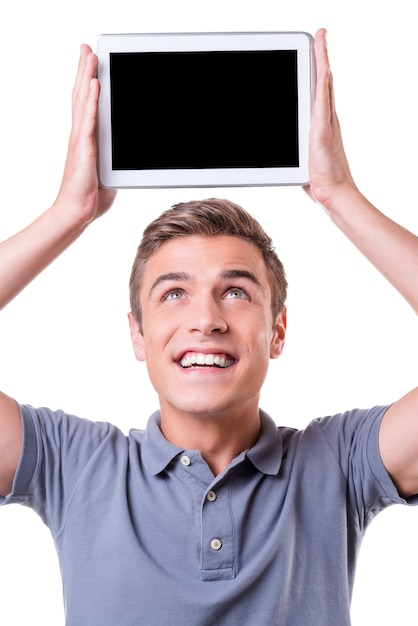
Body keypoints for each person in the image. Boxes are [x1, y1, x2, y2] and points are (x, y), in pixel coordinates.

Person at [1, 28, 418, 625]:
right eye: (174, 293)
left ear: (277, 332)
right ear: (137, 335)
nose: (205, 319)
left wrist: (339, 195)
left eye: (236, 292)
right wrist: (68, 215)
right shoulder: (74, 464)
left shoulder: (339, 463)